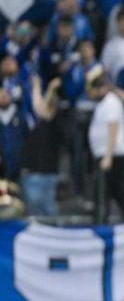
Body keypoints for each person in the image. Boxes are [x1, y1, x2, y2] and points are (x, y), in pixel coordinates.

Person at [86, 67, 124, 224]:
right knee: (117, 194)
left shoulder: (111, 102)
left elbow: (112, 128)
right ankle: (123, 221)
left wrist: (108, 156)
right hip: (107, 155)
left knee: (107, 195)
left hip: (112, 156)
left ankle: (104, 224)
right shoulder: (103, 103)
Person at [19, 76, 62, 216]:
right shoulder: (38, 125)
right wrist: (36, 88)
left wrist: (48, 88)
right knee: (33, 214)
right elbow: (38, 105)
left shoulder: (54, 124)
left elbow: (43, 108)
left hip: (45, 174)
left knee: (48, 212)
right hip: (33, 173)